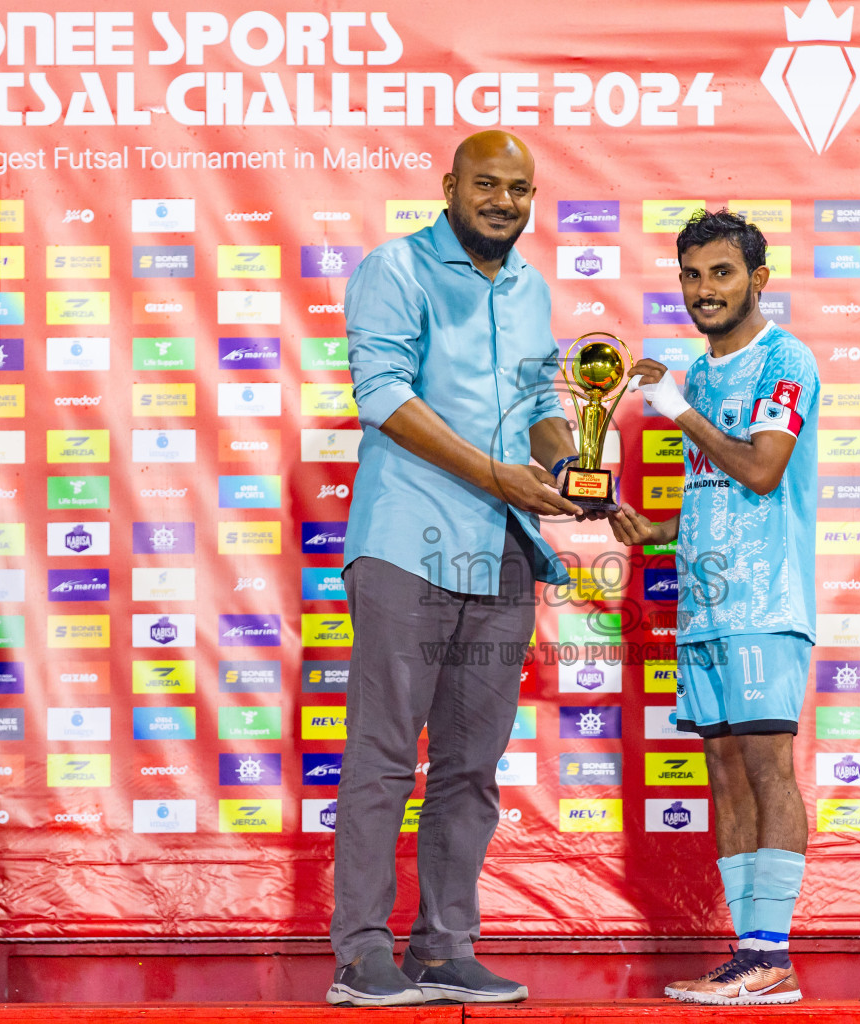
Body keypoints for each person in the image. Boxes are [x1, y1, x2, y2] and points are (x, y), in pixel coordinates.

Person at [327, 131, 583, 1007]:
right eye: (487, 183)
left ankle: (443, 945)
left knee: (472, 767)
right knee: (385, 757)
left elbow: (541, 407)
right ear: (450, 187)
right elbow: (384, 395)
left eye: (519, 188)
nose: (504, 201)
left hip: (505, 551)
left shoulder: (531, 286)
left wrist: (576, 476)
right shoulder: (393, 268)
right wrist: (492, 472)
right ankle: (362, 954)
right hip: (407, 543)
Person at [611, 209, 820, 1006]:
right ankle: (748, 956)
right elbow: (719, 490)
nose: (704, 290)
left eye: (722, 273)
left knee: (767, 769)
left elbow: (764, 470)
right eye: (692, 275)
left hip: (768, 603)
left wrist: (676, 410)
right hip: (703, 611)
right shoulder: (696, 376)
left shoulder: (786, 358)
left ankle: (775, 957)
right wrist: (658, 528)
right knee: (725, 775)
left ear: (757, 280)